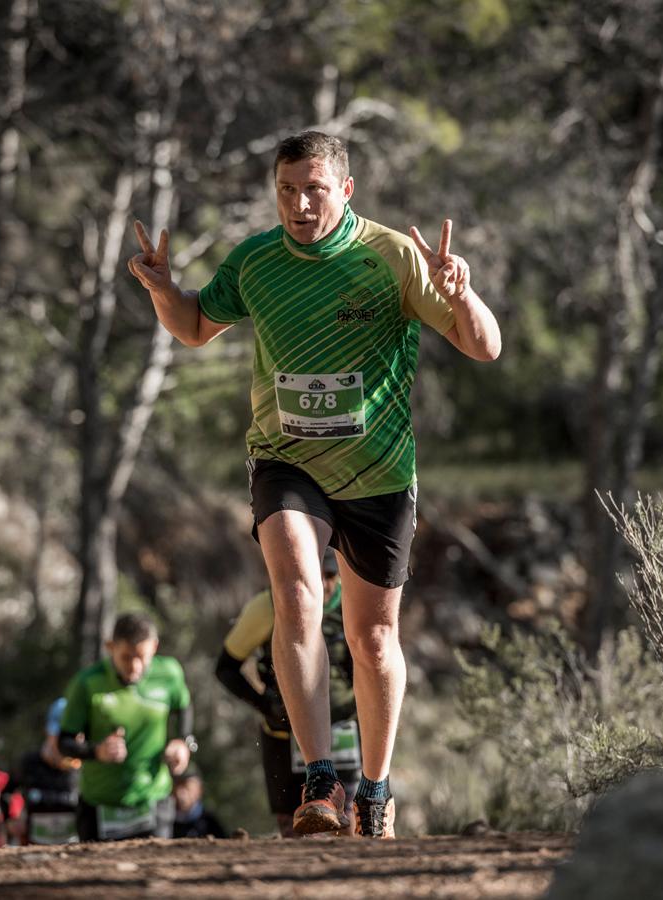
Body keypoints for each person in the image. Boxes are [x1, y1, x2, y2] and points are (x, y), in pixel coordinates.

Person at [128, 131, 501, 838]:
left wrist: (463, 292)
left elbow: (484, 346)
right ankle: (320, 783)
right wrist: (162, 289)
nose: (300, 205)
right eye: (287, 190)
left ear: (346, 190)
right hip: (285, 461)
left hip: (380, 473)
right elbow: (194, 329)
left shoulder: (390, 257)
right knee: (296, 593)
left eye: (315, 189)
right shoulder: (258, 260)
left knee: (370, 635)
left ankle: (376, 791)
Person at [216, 547, 360, 837]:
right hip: (282, 732)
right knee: (290, 821)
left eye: (331, 576)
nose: (324, 584)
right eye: (318, 575)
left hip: (342, 726)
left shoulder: (352, 602)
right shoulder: (268, 605)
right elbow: (226, 667)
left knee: (347, 815)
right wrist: (264, 704)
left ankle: (350, 874)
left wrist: (358, 707)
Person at [57, 613, 194, 841]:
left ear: (155, 647)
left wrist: (184, 742)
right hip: (99, 804)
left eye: (142, 657)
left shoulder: (169, 673)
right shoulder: (87, 682)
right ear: (110, 647)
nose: (135, 666)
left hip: (152, 800)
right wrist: (97, 751)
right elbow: (64, 743)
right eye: (126, 657)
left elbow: (184, 708)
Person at [14, 697, 81, 844]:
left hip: (77, 855)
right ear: (47, 731)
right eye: (59, 736)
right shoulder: (30, 763)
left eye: (71, 737)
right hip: (34, 853)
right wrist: (13, 818)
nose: (63, 744)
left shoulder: (88, 769)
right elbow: (7, 792)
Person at [171, 770, 226, 839]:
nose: (181, 793)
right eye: (177, 786)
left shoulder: (210, 823)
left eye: (187, 788)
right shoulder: (163, 820)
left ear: (199, 791)